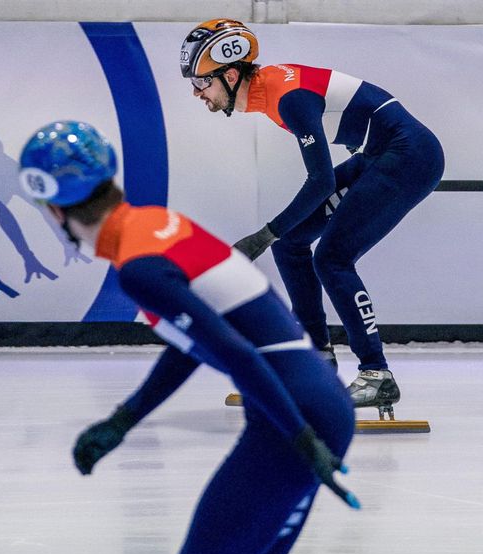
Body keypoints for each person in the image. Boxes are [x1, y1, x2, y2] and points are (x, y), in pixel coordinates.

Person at [19, 121, 420, 554]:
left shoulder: (139, 266)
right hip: (308, 401)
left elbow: (234, 353)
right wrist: (123, 420)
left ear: (53, 207)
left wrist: (298, 440)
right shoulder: (154, 229)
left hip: (290, 409)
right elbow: (195, 341)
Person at [181, 18, 445, 411]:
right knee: (291, 244)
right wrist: (273, 236)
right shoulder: (270, 88)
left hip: (410, 157)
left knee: (332, 258)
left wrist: (261, 236)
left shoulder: (288, 97)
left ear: (231, 73)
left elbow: (320, 180)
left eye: (202, 82)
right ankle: (314, 361)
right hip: (382, 154)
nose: (197, 93)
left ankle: (377, 374)